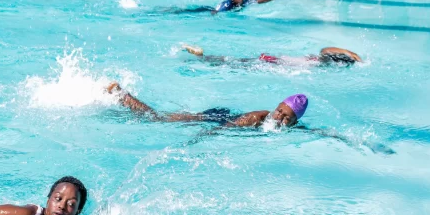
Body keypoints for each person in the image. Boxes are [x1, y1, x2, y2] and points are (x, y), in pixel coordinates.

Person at [106, 82, 308, 128]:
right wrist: (201, 138)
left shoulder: (291, 128)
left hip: (224, 116)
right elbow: (225, 129)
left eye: (286, 117)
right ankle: (122, 95)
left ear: (294, 122)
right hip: (215, 119)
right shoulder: (257, 118)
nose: (279, 117)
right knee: (158, 119)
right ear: (278, 105)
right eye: (280, 110)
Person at [182, 45, 363, 67]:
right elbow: (326, 50)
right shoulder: (322, 63)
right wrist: (351, 54)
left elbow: (326, 49)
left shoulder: (321, 61)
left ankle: (204, 58)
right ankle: (203, 58)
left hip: (274, 62)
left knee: (233, 62)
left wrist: (351, 53)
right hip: (274, 64)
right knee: (233, 63)